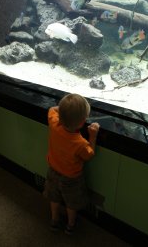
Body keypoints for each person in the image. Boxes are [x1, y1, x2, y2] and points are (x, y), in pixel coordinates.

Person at [44, 93, 100, 235]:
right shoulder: (80, 143)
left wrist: (64, 110)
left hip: (53, 170)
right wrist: (92, 136)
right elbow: (89, 155)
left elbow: (52, 109)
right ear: (82, 122)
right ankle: (70, 225)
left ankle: (54, 221)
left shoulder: (54, 123)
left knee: (54, 198)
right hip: (71, 178)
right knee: (71, 203)